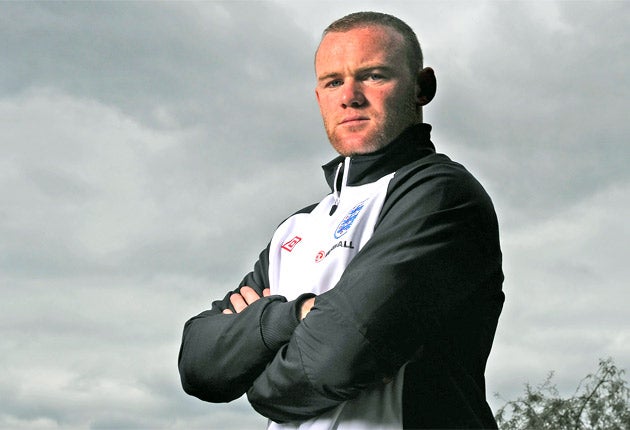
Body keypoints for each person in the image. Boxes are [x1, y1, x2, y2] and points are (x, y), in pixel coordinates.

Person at [178, 11, 504, 429]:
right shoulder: (295, 229)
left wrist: (255, 373)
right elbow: (198, 364)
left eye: (373, 76)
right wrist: (292, 317)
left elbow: (335, 360)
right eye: (333, 82)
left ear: (423, 87)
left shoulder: (441, 195)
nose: (349, 96)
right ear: (319, 98)